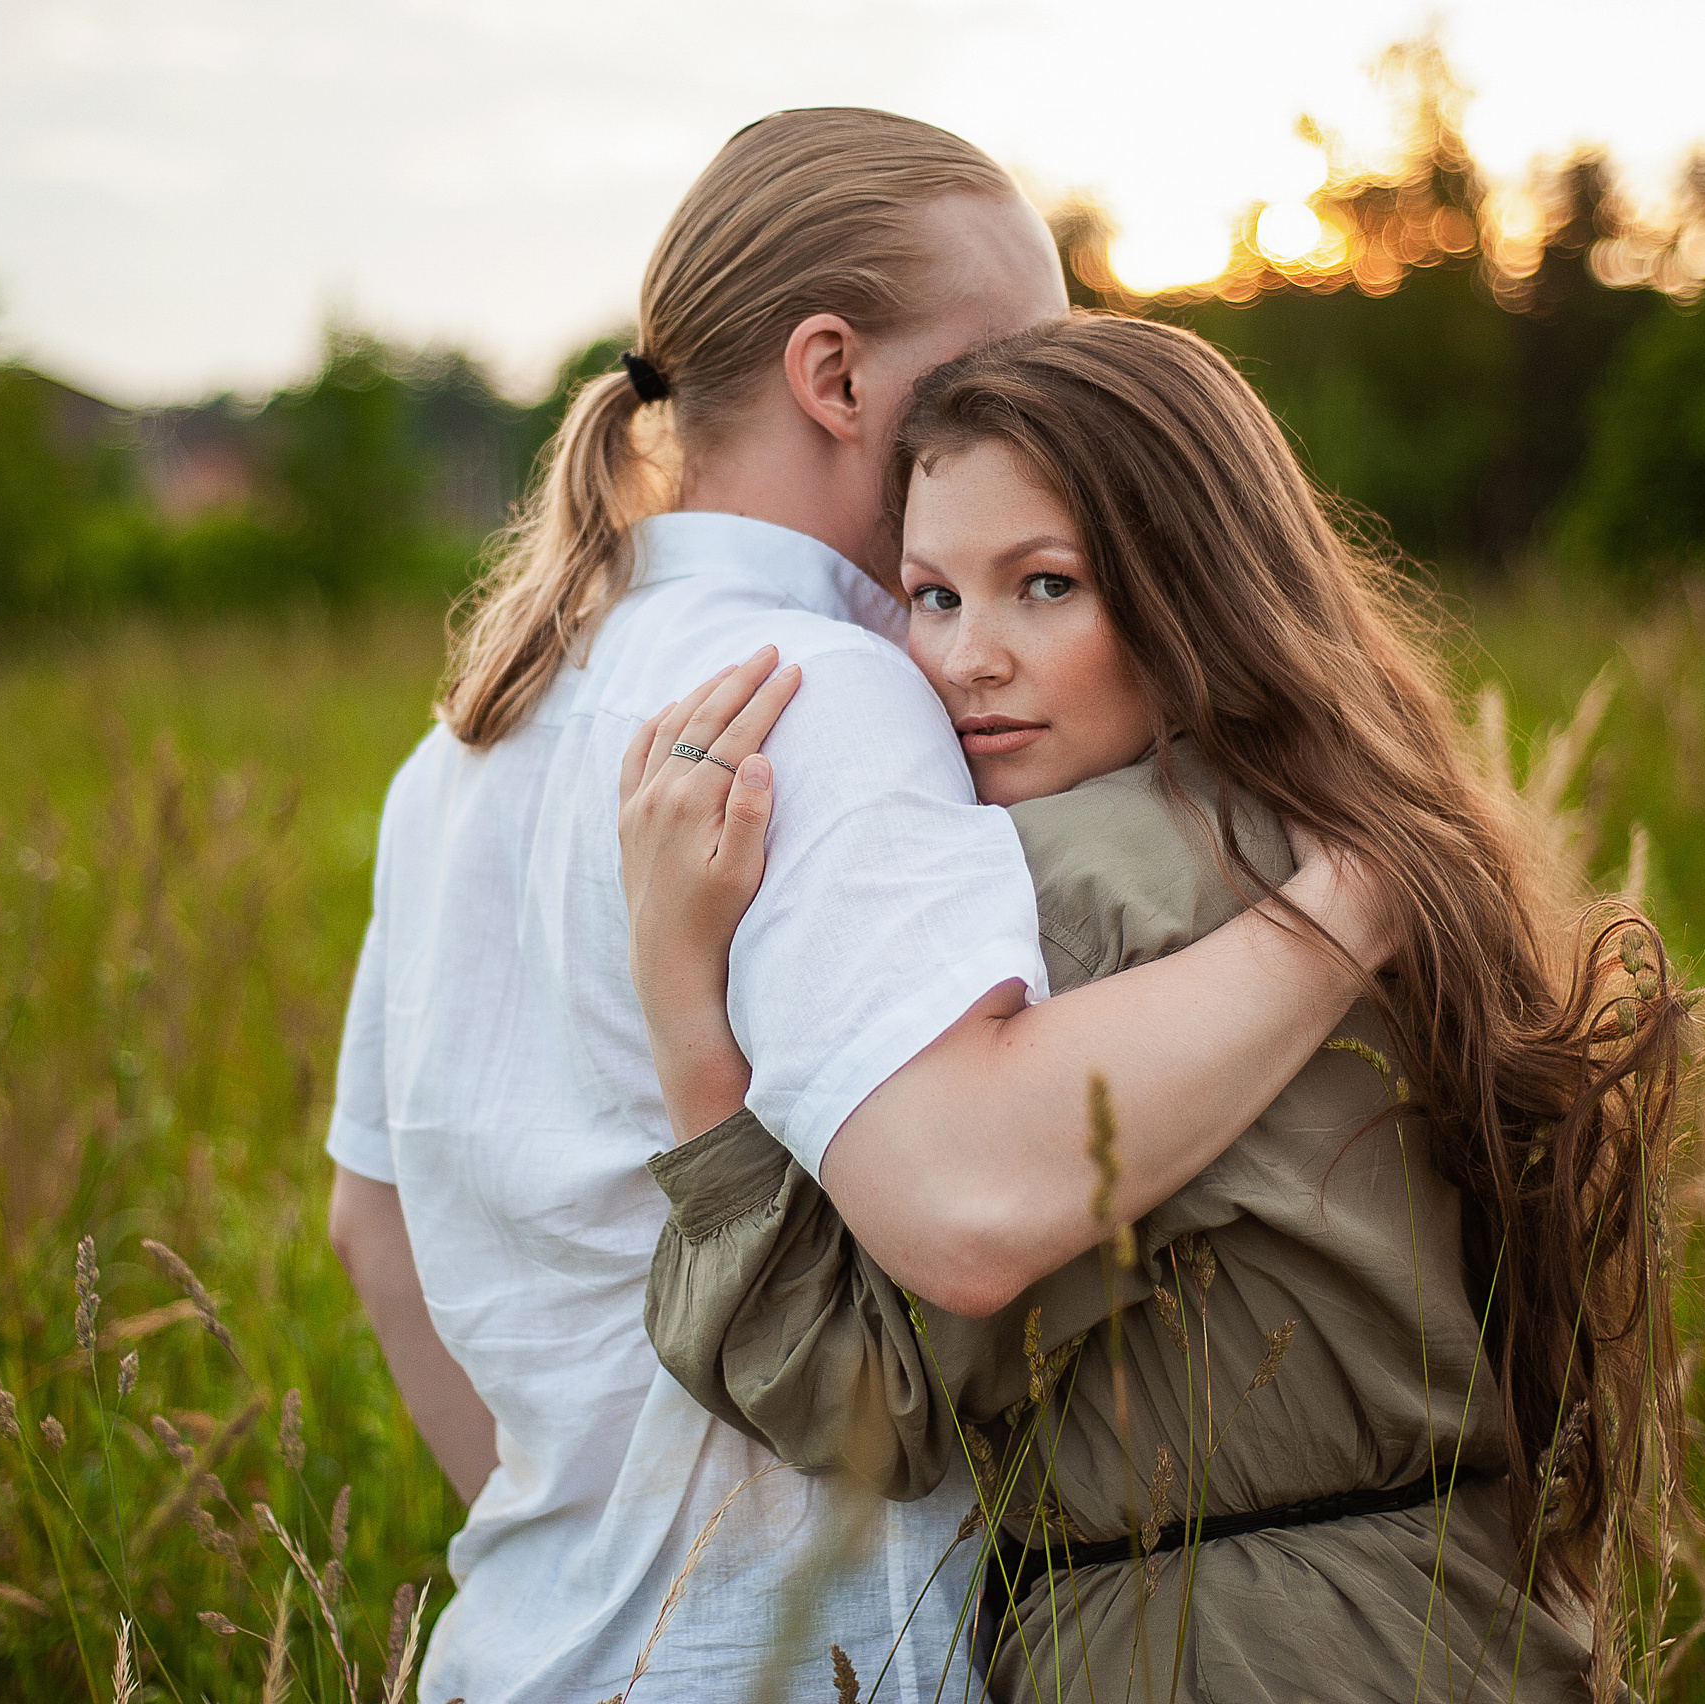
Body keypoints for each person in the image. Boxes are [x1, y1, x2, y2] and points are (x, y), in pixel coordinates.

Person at [326, 113, 1389, 1703]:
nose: (1050, 403)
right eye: (1011, 357)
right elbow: (967, 1206)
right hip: (791, 1659)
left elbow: (376, 1229)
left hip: (516, 1650)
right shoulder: (831, 695)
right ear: (836, 379)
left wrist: (593, 1560)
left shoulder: (468, 741)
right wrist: (1356, 903)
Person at [618, 315, 1685, 1701]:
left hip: (1203, 1648)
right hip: (1468, 1616)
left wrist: (678, 993)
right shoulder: (1357, 846)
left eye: (1044, 587)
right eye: (932, 596)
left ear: (1197, 591)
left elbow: (862, 1396)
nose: (967, 659)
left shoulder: (1076, 889)